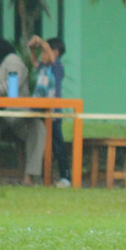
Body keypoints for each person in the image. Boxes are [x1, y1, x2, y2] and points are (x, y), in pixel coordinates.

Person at [0, 33, 45, 186]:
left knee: (38, 128)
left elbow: (12, 84)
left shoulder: (13, 61)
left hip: (18, 114)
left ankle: (30, 175)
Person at [28, 34, 71, 187]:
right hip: (40, 111)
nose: (42, 55)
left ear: (55, 52)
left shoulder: (56, 67)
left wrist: (39, 40)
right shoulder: (43, 67)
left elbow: (47, 49)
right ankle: (46, 177)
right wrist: (32, 49)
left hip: (53, 113)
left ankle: (66, 177)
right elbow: (34, 62)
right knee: (44, 144)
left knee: (58, 145)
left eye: (45, 52)